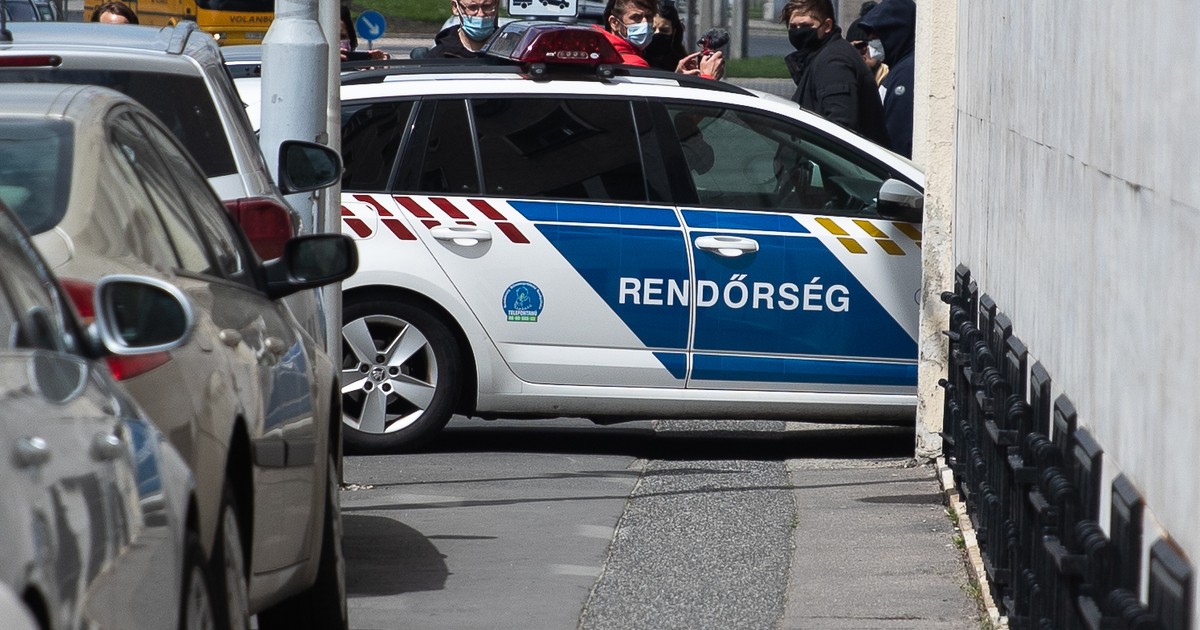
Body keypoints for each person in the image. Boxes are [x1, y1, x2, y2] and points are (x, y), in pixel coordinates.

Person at [780, 0, 889, 149]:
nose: (798, 32)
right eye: (793, 27)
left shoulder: (834, 62)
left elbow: (840, 127)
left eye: (806, 26)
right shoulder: (821, 57)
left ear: (827, 26)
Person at [600, 0, 723, 79]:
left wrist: (678, 78)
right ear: (614, 23)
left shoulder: (602, 50)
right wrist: (708, 78)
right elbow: (654, 108)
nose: (645, 23)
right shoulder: (634, 65)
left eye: (648, 16)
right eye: (636, 17)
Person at [860, 0, 915, 157]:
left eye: (876, 34)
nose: (870, 41)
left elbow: (898, 138)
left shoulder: (905, 75)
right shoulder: (897, 69)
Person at [427, 0, 498, 58]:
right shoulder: (438, 58)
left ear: (496, 5)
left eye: (487, 6)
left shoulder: (505, 54)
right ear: (455, 7)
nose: (481, 14)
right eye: (472, 7)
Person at [643, 0, 687, 72]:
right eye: (652, 29)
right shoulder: (637, 57)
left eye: (664, 30)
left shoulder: (681, 63)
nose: (657, 33)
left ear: (674, 32)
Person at [845, 20, 887, 88]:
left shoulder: (889, 79)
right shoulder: (844, 79)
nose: (869, 51)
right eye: (859, 46)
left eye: (874, 45)